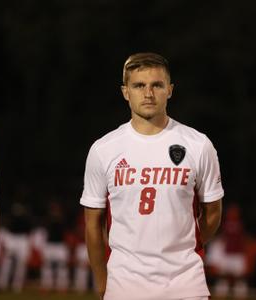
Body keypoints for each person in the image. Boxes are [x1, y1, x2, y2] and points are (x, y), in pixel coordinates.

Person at [80, 52, 224, 300]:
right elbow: (93, 224)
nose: (148, 93)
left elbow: (213, 213)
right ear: (125, 92)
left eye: (156, 85)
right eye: (139, 85)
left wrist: (183, 243)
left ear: (170, 89)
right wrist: (103, 282)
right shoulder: (103, 149)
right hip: (124, 286)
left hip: (186, 286)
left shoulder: (199, 145)